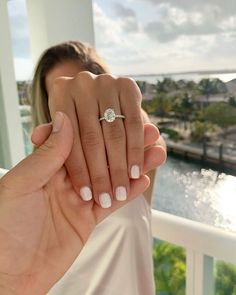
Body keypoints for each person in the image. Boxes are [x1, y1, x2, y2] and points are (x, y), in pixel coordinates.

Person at [1, 41, 166, 294]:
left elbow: (148, 132)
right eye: (58, 96)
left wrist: (121, 104)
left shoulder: (135, 156)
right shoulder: (38, 188)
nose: (76, 103)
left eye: (81, 87)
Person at [0, 112, 155, 294]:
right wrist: (6, 284)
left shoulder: (127, 168)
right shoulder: (36, 193)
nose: (82, 86)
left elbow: (152, 141)